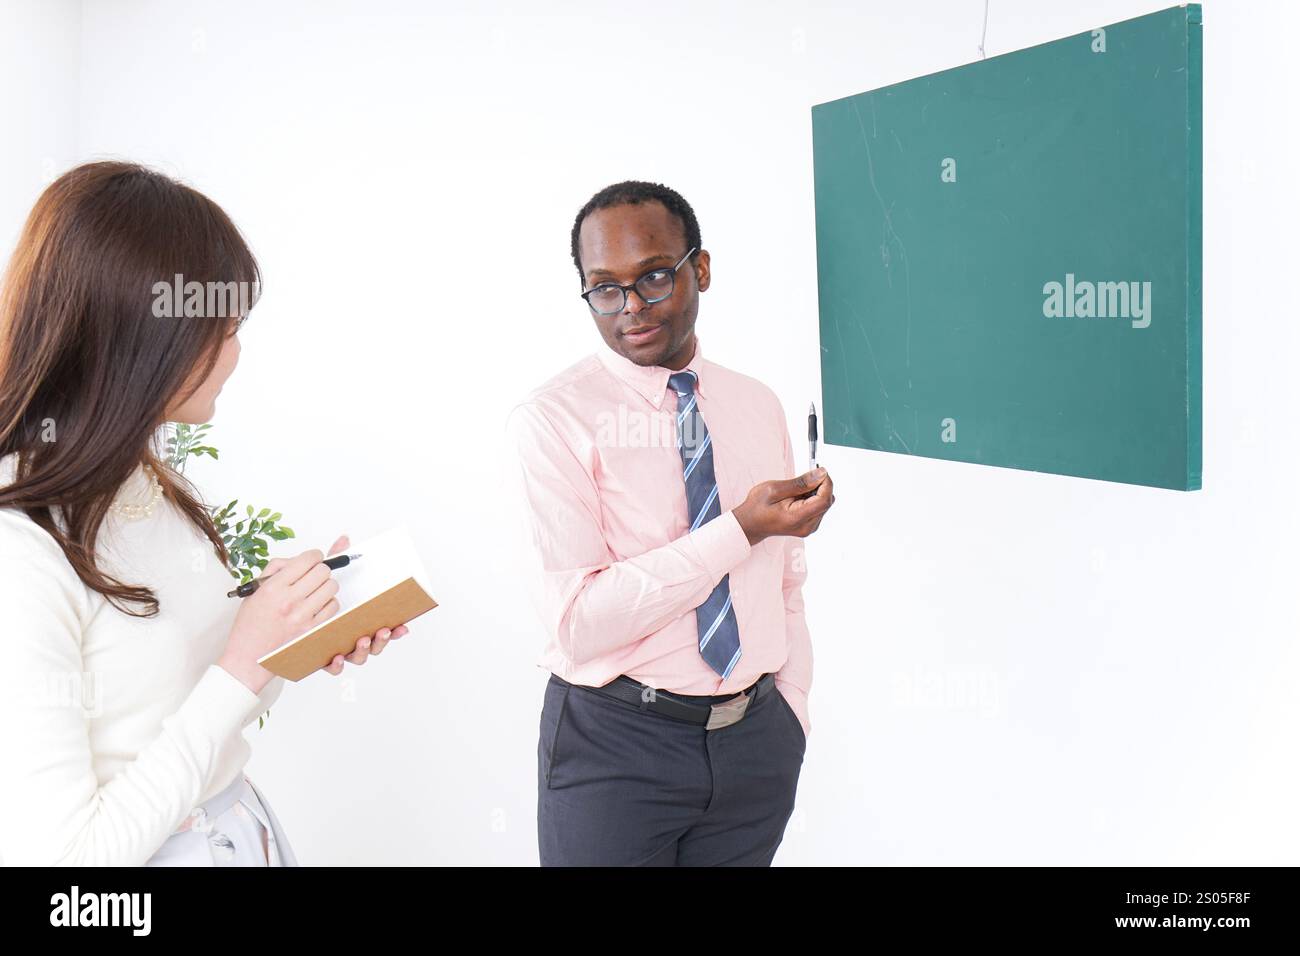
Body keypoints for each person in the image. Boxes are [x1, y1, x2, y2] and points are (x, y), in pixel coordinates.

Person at [0, 161, 410, 866]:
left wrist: (295, 632)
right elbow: (66, 865)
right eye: (220, 330)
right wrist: (246, 665)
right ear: (140, 339)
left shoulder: (142, 486)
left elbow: (192, 691)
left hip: (233, 834)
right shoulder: (21, 546)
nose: (236, 351)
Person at [507, 180, 835, 866]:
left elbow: (787, 578)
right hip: (616, 748)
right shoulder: (554, 419)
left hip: (755, 745)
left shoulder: (755, 404)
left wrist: (792, 711)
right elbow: (580, 623)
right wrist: (738, 529)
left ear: (701, 269)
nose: (632, 309)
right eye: (604, 288)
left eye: (654, 277)